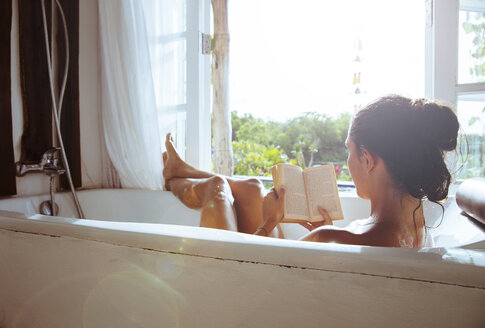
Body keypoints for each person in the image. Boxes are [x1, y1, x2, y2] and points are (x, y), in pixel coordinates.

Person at [163, 95, 459, 247]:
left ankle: (173, 178)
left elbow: (255, 274)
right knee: (252, 188)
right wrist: (327, 230)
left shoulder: (331, 240)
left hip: (234, 283)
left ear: (367, 159)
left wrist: (270, 220)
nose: (348, 163)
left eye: (349, 150)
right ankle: (180, 169)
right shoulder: (419, 223)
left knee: (218, 187)